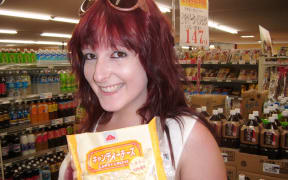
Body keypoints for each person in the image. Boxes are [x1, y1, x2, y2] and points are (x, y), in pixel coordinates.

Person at [59, 0, 226, 179]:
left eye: (118, 54)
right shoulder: (92, 128)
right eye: (90, 56)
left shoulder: (188, 139)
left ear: (153, 57)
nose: (98, 75)